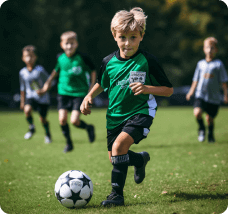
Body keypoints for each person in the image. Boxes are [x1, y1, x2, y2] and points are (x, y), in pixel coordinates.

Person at [80, 7, 173, 207]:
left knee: (118, 148)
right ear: (114, 35)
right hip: (114, 116)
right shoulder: (108, 62)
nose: (127, 43)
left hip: (141, 112)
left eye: (133, 37)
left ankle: (116, 196)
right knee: (115, 157)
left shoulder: (147, 61)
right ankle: (139, 160)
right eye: (122, 37)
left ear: (142, 36)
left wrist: (147, 88)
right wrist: (88, 96)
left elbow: (168, 90)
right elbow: (102, 84)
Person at [37, 31, 96, 153]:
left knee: (74, 121)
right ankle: (69, 143)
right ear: (62, 44)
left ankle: (89, 128)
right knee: (62, 120)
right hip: (63, 92)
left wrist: (91, 90)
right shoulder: (60, 58)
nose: (69, 46)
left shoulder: (82, 58)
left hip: (79, 93)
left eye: (72, 43)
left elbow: (93, 71)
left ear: (77, 44)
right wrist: (44, 88)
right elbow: (54, 74)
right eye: (67, 43)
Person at [186, 37, 228, 143]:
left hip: (214, 96)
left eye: (212, 48)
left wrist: (226, 95)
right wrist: (191, 92)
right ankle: (201, 129)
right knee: (197, 113)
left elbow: (223, 81)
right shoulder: (200, 64)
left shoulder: (218, 64)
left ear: (216, 50)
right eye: (207, 47)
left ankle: (210, 135)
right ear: (204, 49)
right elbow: (195, 80)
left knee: (210, 119)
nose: (209, 50)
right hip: (201, 94)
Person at [19, 45, 52, 143]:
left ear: (35, 57)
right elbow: (22, 88)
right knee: (27, 109)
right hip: (30, 96)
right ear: (23, 58)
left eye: (31, 56)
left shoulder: (40, 70)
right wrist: (22, 101)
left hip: (42, 98)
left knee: (42, 119)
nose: (29, 58)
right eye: (26, 56)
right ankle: (32, 127)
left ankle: (47, 134)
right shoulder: (22, 72)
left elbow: (50, 81)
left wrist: (44, 90)